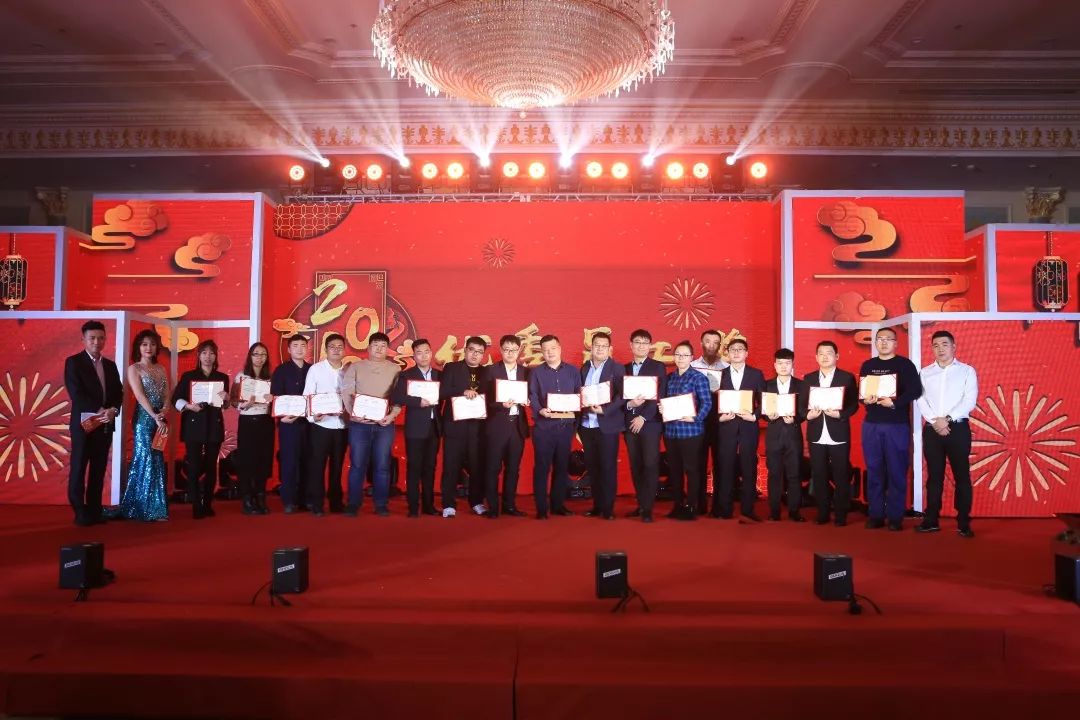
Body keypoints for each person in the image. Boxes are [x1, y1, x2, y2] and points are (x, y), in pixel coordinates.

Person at [915, 330, 978, 538]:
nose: (940, 349)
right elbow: (921, 400)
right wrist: (935, 421)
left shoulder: (967, 371)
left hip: (957, 428)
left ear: (953, 346)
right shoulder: (925, 373)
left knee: (962, 476)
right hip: (932, 429)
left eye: (944, 344)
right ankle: (931, 519)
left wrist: (947, 419)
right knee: (934, 477)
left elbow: (969, 401)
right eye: (935, 345)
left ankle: (963, 522)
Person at [860, 327, 922, 531]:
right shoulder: (868, 365)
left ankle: (895, 516)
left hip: (896, 424)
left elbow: (915, 390)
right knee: (874, 470)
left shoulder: (905, 364)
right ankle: (875, 514)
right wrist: (866, 400)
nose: (884, 342)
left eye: (888, 339)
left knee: (896, 470)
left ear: (896, 343)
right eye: (880, 339)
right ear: (875, 343)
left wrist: (895, 403)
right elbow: (863, 395)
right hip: (872, 424)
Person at [65, 320, 124, 526]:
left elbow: (118, 392)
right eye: (92, 338)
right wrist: (100, 410)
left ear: (105, 339)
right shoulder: (74, 362)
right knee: (79, 467)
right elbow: (76, 394)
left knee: (99, 469)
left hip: (105, 424)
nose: (96, 342)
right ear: (83, 339)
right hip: (84, 424)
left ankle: (94, 510)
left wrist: (113, 409)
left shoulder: (110, 365)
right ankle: (80, 511)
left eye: (100, 338)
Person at [111, 329, 169, 522]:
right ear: (138, 347)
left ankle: (157, 508)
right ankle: (141, 507)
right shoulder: (134, 368)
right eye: (144, 344)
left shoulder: (161, 368)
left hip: (160, 419)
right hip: (144, 419)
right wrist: (154, 416)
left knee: (157, 458)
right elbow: (139, 395)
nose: (148, 348)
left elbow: (166, 394)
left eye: (152, 344)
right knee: (145, 459)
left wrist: (164, 411)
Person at [341, 331, 401, 517]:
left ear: (388, 349)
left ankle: (381, 503)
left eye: (383, 346)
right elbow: (346, 392)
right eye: (375, 345)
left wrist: (392, 416)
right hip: (359, 424)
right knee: (357, 464)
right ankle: (353, 503)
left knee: (382, 465)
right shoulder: (356, 367)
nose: (379, 349)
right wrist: (353, 414)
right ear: (368, 348)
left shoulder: (395, 369)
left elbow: (399, 397)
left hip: (384, 424)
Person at [803, 341, 860, 526]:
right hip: (816, 433)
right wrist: (808, 415)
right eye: (821, 353)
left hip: (838, 432)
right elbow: (802, 406)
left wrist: (840, 414)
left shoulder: (847, 378)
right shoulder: (809, 379)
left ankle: (841, 514)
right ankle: (823, 512)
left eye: (829, 353)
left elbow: (854, 405)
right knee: (819, 474)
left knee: (841, 475)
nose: (825, 356)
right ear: (816, 357)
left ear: (837, 356)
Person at [172, 339, 230, 519]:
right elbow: (175, 399)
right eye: (204, 353)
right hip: (194, 425)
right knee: (195, 466)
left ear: (216, 356)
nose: (208, 357)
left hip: (214, 425)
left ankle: (207, 503)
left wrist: (227, 398)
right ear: (198, 355)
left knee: (211, 467)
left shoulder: (222, 377)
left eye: (211, 353)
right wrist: (189, 406)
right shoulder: (189, 376)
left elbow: (225, 405)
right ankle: (196, 504)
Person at [528, 334, 582, 519]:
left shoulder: (573, 371)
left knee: (561, 467)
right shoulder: (536, 372)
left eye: (553, 348)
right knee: (542, 468)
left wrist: (574, 422)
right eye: (545, 350)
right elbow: (533, 395)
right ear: (541, 352)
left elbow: (579, 395)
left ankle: (558, 505)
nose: (549, 352)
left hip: (565, 427)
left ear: (559, 348)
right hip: (544, 427)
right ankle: (541, 508)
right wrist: (540, 410)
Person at [715, 338, 767, 521]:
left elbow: (764, 400)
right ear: (727, 353)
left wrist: (754, 416)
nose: (736, 352)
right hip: (726, 426)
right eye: (732, 349)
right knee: (725, 467)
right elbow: (712, 402)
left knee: (749, 467)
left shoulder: (756, 374)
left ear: (746, 353)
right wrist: (719, 417)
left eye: (740, 349)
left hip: (748, 426)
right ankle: (725, 509)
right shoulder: (719, 375)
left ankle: (748, 509)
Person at [480, 335, 530, 519]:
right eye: (506, 349)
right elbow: (484, 399)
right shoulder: (490, 371)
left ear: (519, 351)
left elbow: (531, 394)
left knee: (513, 469)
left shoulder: (526, 372)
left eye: (514, 350)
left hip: (517, 426)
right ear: (501, 350)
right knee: (493, 468)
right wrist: (501, 405)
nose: (510, 353)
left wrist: (528, 400)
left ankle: (509, 505)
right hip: (496, 425)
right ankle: (493, 507)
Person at [438, 336, 487, 517]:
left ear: (483, 355)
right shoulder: (451, 368)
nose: (475, 354)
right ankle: (448, 504)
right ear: (465, 350)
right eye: (472, 350)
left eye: (479, 352)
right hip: (455, 425)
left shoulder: (486, 372)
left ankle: (476, 502)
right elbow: (442, 392)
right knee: (451, 465)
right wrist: (462, 392)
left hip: (477, 427)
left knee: (477, 466)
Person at [663, 340, 713, 520]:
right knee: (675, 471)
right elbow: (665, 400)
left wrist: (696, 417)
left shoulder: (698, 377)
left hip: (691, 431)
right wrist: (662, 408)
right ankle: (677, 505)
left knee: (692, 470)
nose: (681, 358)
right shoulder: (670, 377)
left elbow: (707, 403)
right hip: (671, 432)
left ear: (691, 357)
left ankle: (692, 506)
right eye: (677, 354)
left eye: (685, 355)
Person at [392, 338, 441, 517]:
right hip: (415, 428)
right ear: (414, 356)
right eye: (419, 353)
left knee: (430, 467)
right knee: (414, 467)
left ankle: (428, 505)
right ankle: (413, 506)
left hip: (434, 427)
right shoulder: (406, 375)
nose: (423, 356)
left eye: (426, 351)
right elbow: (397, 397)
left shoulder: (439, 375)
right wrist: (417, 401)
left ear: (431, 353)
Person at [580, 332, 625, 520]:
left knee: (607, 467)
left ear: (609, 349)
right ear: (591, 347)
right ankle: (597, 506)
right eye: (596, 345)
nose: (599, 349)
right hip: (587, 425)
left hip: (607, 425)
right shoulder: (584, 368)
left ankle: (608, 508)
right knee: (593, 467)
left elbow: (623, 395)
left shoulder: (617, 368)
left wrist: (605, 410)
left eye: (603, 346)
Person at [623, 329, 667, 523]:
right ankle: (641, 504)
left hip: (650, 424)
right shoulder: (623, 368)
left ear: (650, 346)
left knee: (650, 464)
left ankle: (648, 508)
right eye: (637, 342)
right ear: (631, 345)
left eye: (645, 342)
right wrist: (629, 406)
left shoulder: (658, 367)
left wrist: (643, 417)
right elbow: (619, 396)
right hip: (629, 423)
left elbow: (659, 394)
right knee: (636, 464)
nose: (641, 346)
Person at [303, 333, 349, 516]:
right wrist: (313, 416)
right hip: (320, 425)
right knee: (317, 466)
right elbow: (308, 395)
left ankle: (336, 502)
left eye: (340, 347)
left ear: (344, 350)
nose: (336, 350)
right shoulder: (316, 369)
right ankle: (317, 503)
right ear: (326, 349)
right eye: (332, 347)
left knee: (337, 466)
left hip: (342, 426)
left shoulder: (349, 370)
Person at [269, 334, 311, 513]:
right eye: (295, 345)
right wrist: (281, 417)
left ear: (307, 348)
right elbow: (276, 396)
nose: (299, 349)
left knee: (307, 460)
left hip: (309, 423)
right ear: (288, 349)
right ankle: (289, 500)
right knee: (289, 461)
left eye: (303, 345)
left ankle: (305, 499)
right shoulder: (281, 371)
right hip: (288, 423)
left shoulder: (313, 369)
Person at [763, 348, 806, 522]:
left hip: (793, 434)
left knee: (794, 474)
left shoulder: (801, 385)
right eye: (780, 363)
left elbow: (805, 410)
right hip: (773, 434)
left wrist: (795, 419)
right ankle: (774, 511)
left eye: (787, 363)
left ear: (792, 364)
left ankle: (794, 511)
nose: (783, 366)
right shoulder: (767, 385)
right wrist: (768, 416)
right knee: (774, 474)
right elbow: (763, 410)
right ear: (775, 365)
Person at [233, 342, 274, 515]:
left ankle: (260, 496)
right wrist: (244, 405)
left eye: (263, 354)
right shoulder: (241, 376)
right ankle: (247, 498)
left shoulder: (270, 378)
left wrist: (273, 399)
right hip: (248, 422)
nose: (260, 358)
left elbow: (277, 403)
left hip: (266, 421)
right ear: (250, 356)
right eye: (256, 354)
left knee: (263, 460)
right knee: (247, 460)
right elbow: (233, 401)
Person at [691, 329, 727, 514]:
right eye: (708, 341)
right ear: (701, 343)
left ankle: (719, 506)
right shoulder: (692, 366)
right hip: (698, 420)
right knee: (698, 463)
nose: (711, 346)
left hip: (721, 421)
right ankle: (699, 505)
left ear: (720, 345)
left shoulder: (727, 367)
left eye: (715, 342)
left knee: (720, 463)